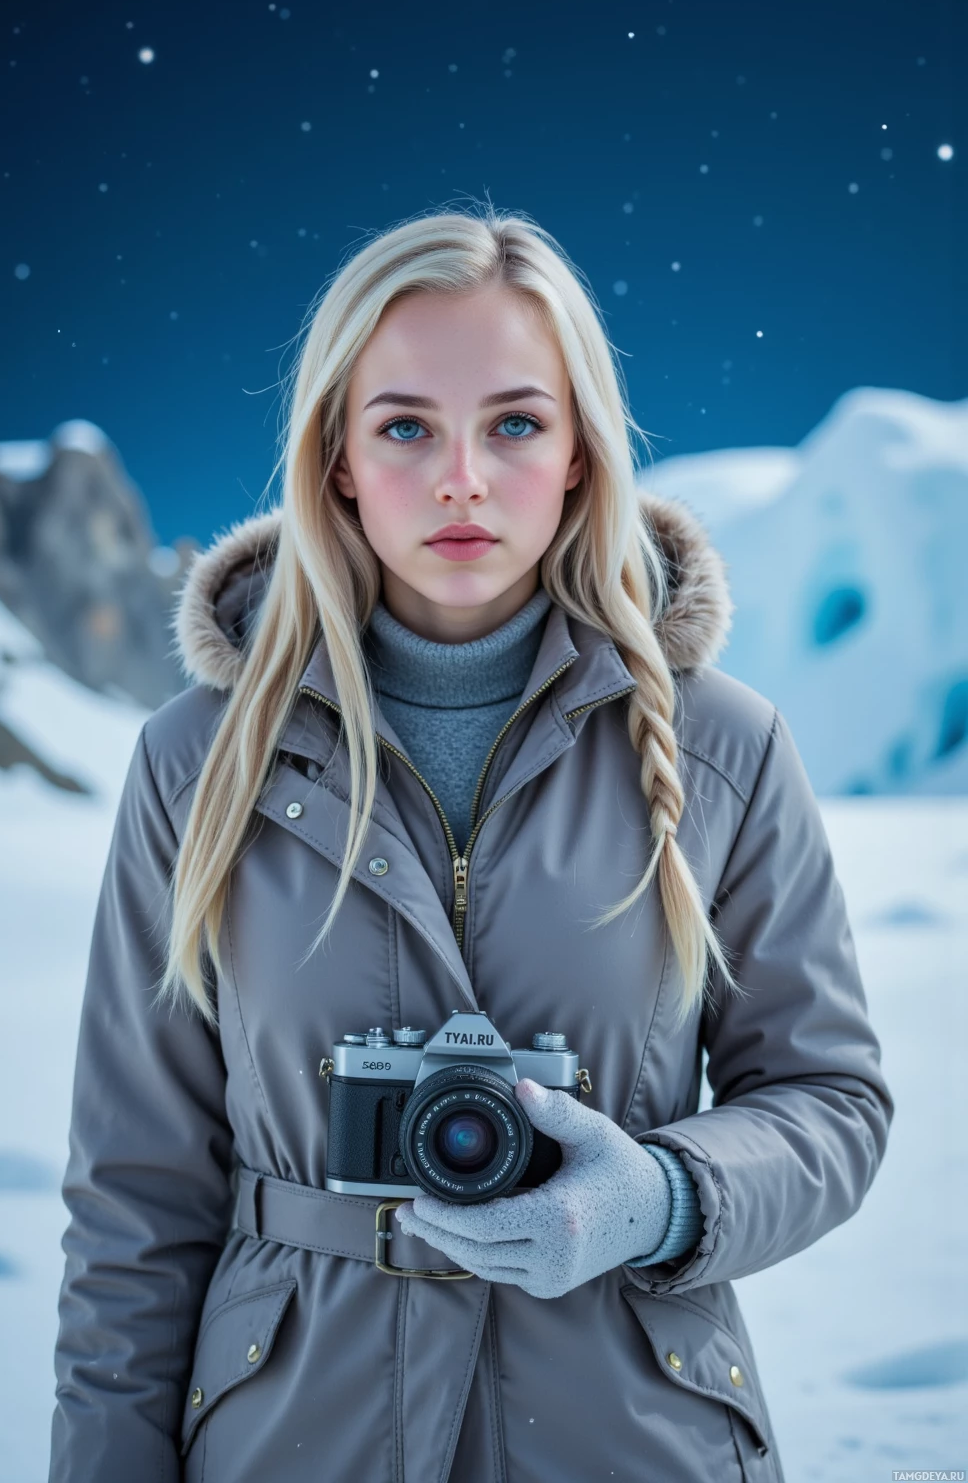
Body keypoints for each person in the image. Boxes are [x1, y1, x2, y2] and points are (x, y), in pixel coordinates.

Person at [48, 204, 893, 1483]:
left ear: (578, 454)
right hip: (292, 1442)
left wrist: (657, 1198)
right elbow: (135, 1195)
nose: (460, 478)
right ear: (336, 455)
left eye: (513, 423)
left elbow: (832, 1103)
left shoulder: (725, 749)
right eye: (404, 427)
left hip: (632, 1440)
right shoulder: (195, 760)